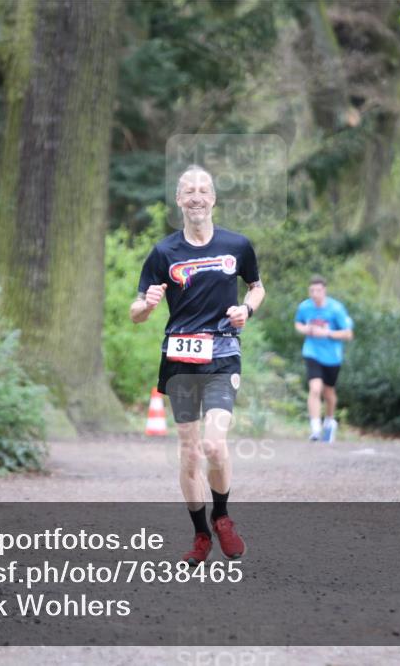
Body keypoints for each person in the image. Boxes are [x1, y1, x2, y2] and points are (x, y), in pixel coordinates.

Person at [130, 165, 265, 565]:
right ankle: (201, 535)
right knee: (189, 452)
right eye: (188, 190)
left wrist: (246, 310)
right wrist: (148, 305)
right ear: (178, 200)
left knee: (213, 444)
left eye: (203, 189)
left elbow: (257, 288)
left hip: (222, 354)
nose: (196, 196)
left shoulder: (237, 245)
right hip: (179, 359)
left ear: (213, 199)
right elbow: (136, 310)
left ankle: (222, 515)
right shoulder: (163, 253)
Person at [294, 276, 354, 442]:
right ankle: (315, 427)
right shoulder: (305, 307)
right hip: (312, 352)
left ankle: (329, 421)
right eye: (312, 290)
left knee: (329, 393)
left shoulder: (336, 309)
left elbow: (348, 334)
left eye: (318, 290)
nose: (315, 294)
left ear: (324, 291)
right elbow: (298, 324)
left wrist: (327, 333)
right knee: (315, 388)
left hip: (332, 357)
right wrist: (307, 329)